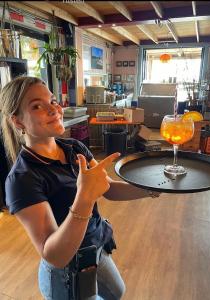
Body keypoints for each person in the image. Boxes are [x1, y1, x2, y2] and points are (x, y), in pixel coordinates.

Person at [0, 76, 160, 300]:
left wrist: (150, 188)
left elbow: (109, 189)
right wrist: (84, 197)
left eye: (53, 101)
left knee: (116, 293)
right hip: (66, 271)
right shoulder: (22, 179)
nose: (53, 109)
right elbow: (54, 255)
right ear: (17, 122)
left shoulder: (75, 148)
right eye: (37, 105)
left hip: (95, 247)